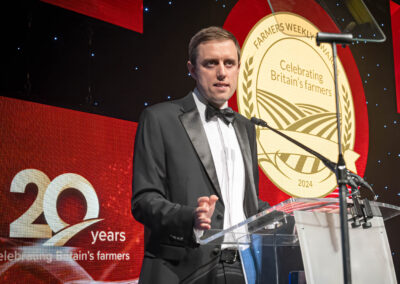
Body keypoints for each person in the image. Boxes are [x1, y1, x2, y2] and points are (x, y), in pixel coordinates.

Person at [131, 26, 270, 284]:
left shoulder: (247, 127)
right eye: (210, 63)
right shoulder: (160, 119)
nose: (221, 72)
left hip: (241, 269)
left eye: (229, 63)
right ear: (192, 69)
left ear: (239, 68)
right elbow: (144, 200)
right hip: (182, 270)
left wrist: (291, 218)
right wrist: (190, 217)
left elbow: (244, 203)